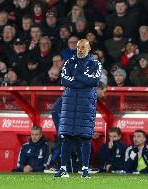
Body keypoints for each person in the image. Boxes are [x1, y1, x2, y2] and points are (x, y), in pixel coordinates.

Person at [54, 39, 102, 178]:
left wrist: (76, 76)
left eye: (83, 47)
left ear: (89, 48)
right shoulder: (69, 62)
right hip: (69, 104)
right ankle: (63, 168)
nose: (80, 49)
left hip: (86, 105)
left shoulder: (95, 63)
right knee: (67, 137)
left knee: (85, 138)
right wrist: (82, 81)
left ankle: (85, 169)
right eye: (78, 47)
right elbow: (64, 80)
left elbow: (93, 81)